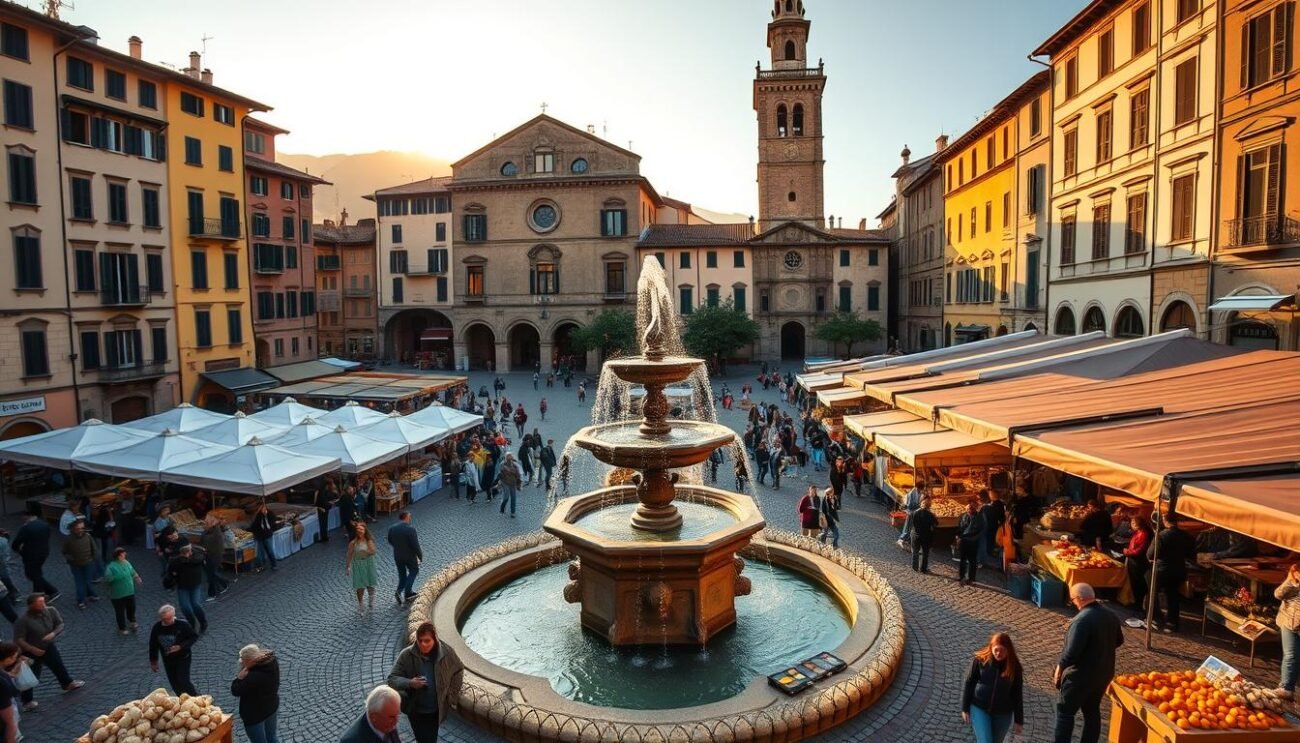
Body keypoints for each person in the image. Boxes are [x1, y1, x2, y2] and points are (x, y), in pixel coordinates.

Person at [1053, 583, 1123, 743]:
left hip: (1079, 677)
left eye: (1073, 600)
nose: (1073, 603)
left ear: (1079, 598)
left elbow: (1071, 653)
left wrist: (1059, 668)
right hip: (1103, 674)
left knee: (1065, 713)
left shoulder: (1081, 621)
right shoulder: (1110, 615)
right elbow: (1119, 640)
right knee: (1092, 712)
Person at [386, 622, 463, 743]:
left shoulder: (447, 653)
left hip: (435, 711)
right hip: (415, 711)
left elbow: (458, 670)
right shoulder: (406, 655)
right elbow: (392, 679)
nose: (423, 644)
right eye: (420, 640)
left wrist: (451, 696)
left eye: (427, 641)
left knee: (430, 739)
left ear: (435, 639)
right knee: (422, 739)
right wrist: (410, 682)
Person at [14, 593, 84, 710]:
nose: (42, 605)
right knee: (31, 675)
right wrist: (32, 649)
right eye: (39, 604)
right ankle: (27, 701)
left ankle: (67, 683)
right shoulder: (23, 621)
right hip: (30, 652)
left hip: (47, 647)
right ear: (31, 606)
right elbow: (18, 639)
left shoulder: (50, 611)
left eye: (43, 602)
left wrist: (53, 633)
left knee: (58, 665)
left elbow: (60, 624)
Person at [961, 632, 1024, 743]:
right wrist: (965, 708)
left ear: (1008, 650)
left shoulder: (1015, 667)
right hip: (979, 707)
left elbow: (1017, 693)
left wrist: (1019, 720)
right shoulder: (980, 661)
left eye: (1003, 650)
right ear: (991, 648)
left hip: (1003, 713)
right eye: (996, 650)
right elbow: (969, 682)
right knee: (985, 741)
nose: (999, 653)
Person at [1146, 515, 1195, 632]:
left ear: (1165, 521)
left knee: (1151, 594)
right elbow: (1191, 554)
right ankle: (1172, 623)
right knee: (1173, 595)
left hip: (1162, 569)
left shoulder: (1162, 535)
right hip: (1179, 569)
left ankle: (1155, 619)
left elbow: (1151, 554)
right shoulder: (1186, 536)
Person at [231, 643, 280, 743]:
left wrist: (239, 678)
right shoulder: (272, 662)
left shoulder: (253, 677)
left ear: (250, 660)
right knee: (272, 737)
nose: (242, 664)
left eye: (243, 661)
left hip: (255, 715)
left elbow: (236, 690)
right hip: (271, 707)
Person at [148, 604, 199, 696]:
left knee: (183, 680)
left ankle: (196, 698)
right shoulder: (157, 628)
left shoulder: (182, 624)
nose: (170, 621)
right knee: (174, 682)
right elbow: (153, 645)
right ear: (161, 619)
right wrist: (153, 661)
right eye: (166, 619)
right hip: (168, 659)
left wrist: (180, 646)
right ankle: (181, 700)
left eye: (171, 617)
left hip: (183, 657)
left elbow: (193, 637)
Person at [10, 508, 58, 600]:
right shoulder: (44, 524)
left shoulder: (26, 528)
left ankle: (43, 594)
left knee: (33, 575)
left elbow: (16, 543)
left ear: (26, 515)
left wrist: (19, 551)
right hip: (43, 553)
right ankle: (46, 592)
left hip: (30, 555)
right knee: (36, 574)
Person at [166, 544, 208, 633]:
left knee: (195, 604)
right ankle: (191, 623)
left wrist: (185, 560)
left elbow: (197, 560)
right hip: (182, 585)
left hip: (195, 584)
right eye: (184, 553)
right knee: (185, 607)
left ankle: (203, 622)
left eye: (188, 552)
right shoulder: (176, 560)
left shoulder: (197, 556)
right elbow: (171, 570)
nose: (187, 554)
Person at [103, 547, 142, 635]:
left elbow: (132, 571)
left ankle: (132, 621)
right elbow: (107, 578)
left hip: (129, 591)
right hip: (117, 594)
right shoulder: (111, 567)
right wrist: (119, 576)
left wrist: (137, 577)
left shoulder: (126, 562)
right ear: (118, 556)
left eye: (124, 554)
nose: (124, 555)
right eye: (123, 554)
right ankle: (122, 628)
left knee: (132, 607)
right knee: (120, 611)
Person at [387, 512, 423, 607]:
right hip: (409, 556)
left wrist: (397, 547)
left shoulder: (392, 528)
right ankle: (408, 592)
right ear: (406, 517)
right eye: (410, 516)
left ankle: (399, 591)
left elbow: (389, 540)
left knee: (402, 574)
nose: (410, 518)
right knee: (414, 571)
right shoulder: (410, 529)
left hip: (397, 555)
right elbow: (415, 545)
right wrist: (420, 556)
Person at [1274, 562, 1299, 700]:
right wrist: (1291, 580)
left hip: (1294, 621)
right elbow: (1278, 594)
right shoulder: (1294, 579)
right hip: (1290, 621)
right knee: (1291, 654)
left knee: (1292, 655)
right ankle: (1286, 688)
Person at [61, 518, 98, 608]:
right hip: (75, 564)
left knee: (87, 580)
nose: (81, 530)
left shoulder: (88, 536)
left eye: (82, 528)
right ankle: (81, 600)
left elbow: (94, 549)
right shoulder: (68, 539)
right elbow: (64, 551)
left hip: (88, 563)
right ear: (73, 529)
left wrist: (93, 559)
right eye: (78, 528)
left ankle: (91, 594)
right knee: (80, 582)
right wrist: (70, 559)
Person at [1121, 514, 1153, 611]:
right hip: (1133, 560)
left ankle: (1137, 604)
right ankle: (1133, 600)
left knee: (1137, 582)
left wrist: (1128, 552)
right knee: (1133, 581)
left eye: (1133, 523)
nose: (1131, 524)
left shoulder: (1143, 534)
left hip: (1138, 561)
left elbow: (1140, 550)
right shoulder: (1137, 532)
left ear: (1138, 524)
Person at [347, 523, 379, 611]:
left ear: (365, 531)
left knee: (370, 582)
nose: (359, 531)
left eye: (361, 529)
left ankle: (371, 599)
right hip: (358, 564)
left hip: (369, 563)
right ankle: (360, 603)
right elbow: (349, 554)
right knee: (359, 584)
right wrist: (348, 567)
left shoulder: (369, 541)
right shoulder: (353, 543)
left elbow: (373, 551)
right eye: (358, 529)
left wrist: (366, 551)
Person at [200, 516, 231, 599]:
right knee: (211, 574)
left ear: (212, 524)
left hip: (215, 556)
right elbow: (202, 540)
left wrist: (215, 524)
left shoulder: (217, 532)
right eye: (205, 522)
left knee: (211, 574)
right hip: (207, 555)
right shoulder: (206, 531)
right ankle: (223, 584)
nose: (204, 524)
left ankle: (213, 593)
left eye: (206, 523)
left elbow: (209, 539)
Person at [957, 500, 985, 586]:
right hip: (963, 541)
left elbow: (981, 530)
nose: (969, 509)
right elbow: (959, 527)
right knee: (962, 560)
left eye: (971, 508)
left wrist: (974, 538)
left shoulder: (980, 517)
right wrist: (958, 537)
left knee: (972, 560)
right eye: (968, 508)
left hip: (973, 542)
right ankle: (962, 576)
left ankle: (971, 578)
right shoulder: (963, 516)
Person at [250, 503, 281, 574]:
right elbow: (254, 525)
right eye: (261, 509)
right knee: (260, 552)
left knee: (270, 550)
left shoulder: (270, 514)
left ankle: (274, 564)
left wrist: (270, 530)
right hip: (259, 536)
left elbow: (272, 523)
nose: (262, 510)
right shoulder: (258, 516)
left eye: (263, 508)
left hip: (267, 535)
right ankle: (261, 565)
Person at [910, 497, 938, 573]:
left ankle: (914, 567)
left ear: (920, 504)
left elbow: (911, 524)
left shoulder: (914, 513)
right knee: (925, 553)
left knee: (915, 552)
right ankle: (923, 569)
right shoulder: (931, 515)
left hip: (915, 535)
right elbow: (935, 524)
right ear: (929, 506)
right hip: (926, 536)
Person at [0, 642, 21, 743]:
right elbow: (9, 719)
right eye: (15, 657)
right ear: (8, 658)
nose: (15, 659)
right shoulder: (2, 681)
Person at [498, 452, 522, 517]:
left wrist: (518, 484)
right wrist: (501, 476)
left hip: (513, 483)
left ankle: (513, 512)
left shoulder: (514, 465)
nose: (509, 457)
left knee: (513, 498)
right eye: (508, 456)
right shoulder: (502, 464)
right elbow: (499, 473)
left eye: (510, 456)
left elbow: (518, 475)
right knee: (506, 497)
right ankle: (502, 507)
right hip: (505, 483)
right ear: (506, 457)